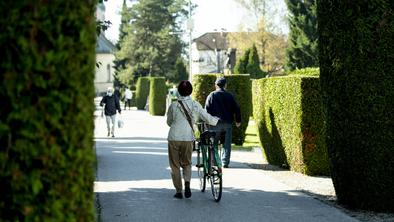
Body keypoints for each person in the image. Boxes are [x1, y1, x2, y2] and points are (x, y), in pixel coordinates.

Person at [166, 80, 219, 199]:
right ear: (191, 91)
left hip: (174, 137)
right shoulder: (195, 104)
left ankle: (179, 191)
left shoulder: (174, 105)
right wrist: (216, 120)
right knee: (187, 163)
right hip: (188, 138)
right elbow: (207, 117)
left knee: (174, 165)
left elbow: (169, 122)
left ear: (179, 91)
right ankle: (187, 184)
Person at [205, 77, 241, 168]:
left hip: (215, 123)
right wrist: (238, 120)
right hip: (227, 123)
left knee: (214, 143)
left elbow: (206, 110)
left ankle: (214, 162)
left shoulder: (211, 95)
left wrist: (207, 122)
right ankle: (225, 162)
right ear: (225, 85)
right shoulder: (230, 95)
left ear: (216, 85)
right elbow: (236, 108)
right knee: (227, 143)